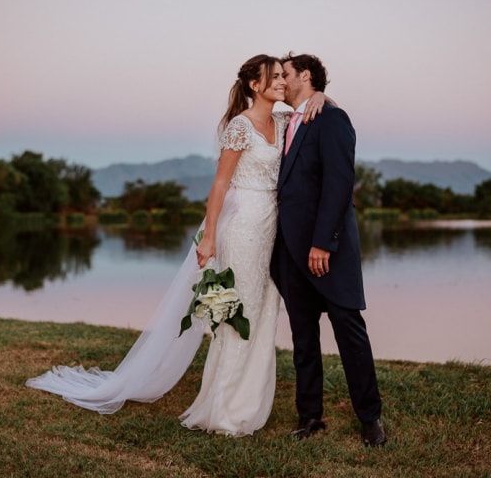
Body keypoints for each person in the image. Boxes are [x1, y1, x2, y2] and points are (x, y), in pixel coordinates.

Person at [26, 54, 326, 437]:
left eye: (285, 78)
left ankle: (250, 405)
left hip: (273, 226)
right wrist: (211, 235)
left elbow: (314, 109)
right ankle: (224, 410)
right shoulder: (240, 126)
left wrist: (320, 98)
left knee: (265, 312)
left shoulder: (283, 121)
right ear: (255, 84)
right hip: (243, 227)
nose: (283, 82)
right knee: (239, 314)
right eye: (275, 77)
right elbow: (220, 185)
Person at [270, 53, 386, 446]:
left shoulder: (331, 119)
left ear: (305, 75)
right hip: (290, 252)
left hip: (326, 250)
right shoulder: (289, 121)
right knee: (303, 339)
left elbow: (339, 184)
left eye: (284, 74)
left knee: (350, 333)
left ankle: (370, 418)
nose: (280, 81)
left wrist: (323, 242)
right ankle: (309, 416)